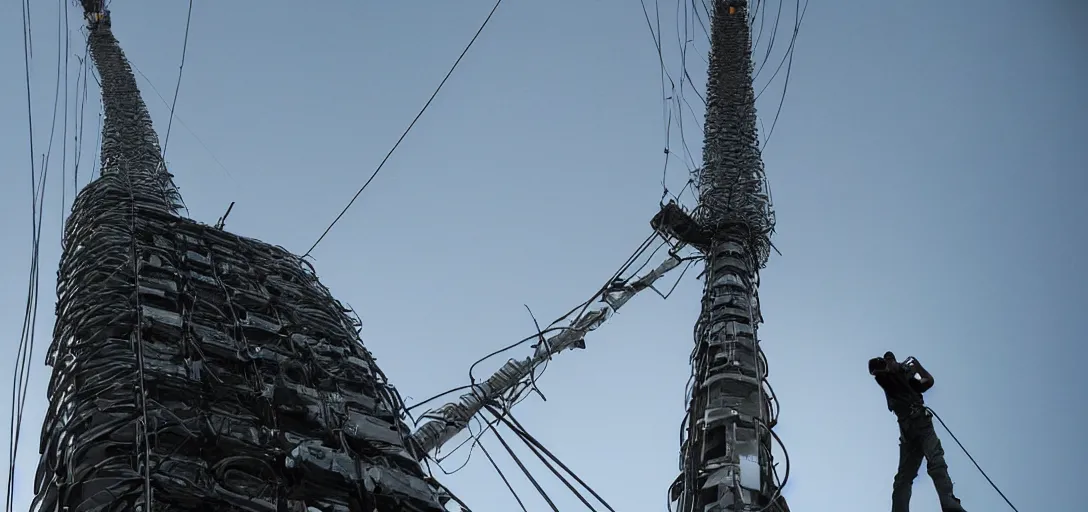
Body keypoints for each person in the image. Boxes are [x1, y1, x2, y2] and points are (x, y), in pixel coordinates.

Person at [868, 351, 966, 512]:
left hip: (921, 421)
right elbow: (873, 368)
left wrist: (918, 367)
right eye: (888, 359)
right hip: (907, 429)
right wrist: (890, 366)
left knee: (936, 461)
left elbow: (928, 382)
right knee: (903, 478)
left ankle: (949, 504)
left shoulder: (906, 377)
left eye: (892, 358)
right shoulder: (884, 375)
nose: (890, 361)